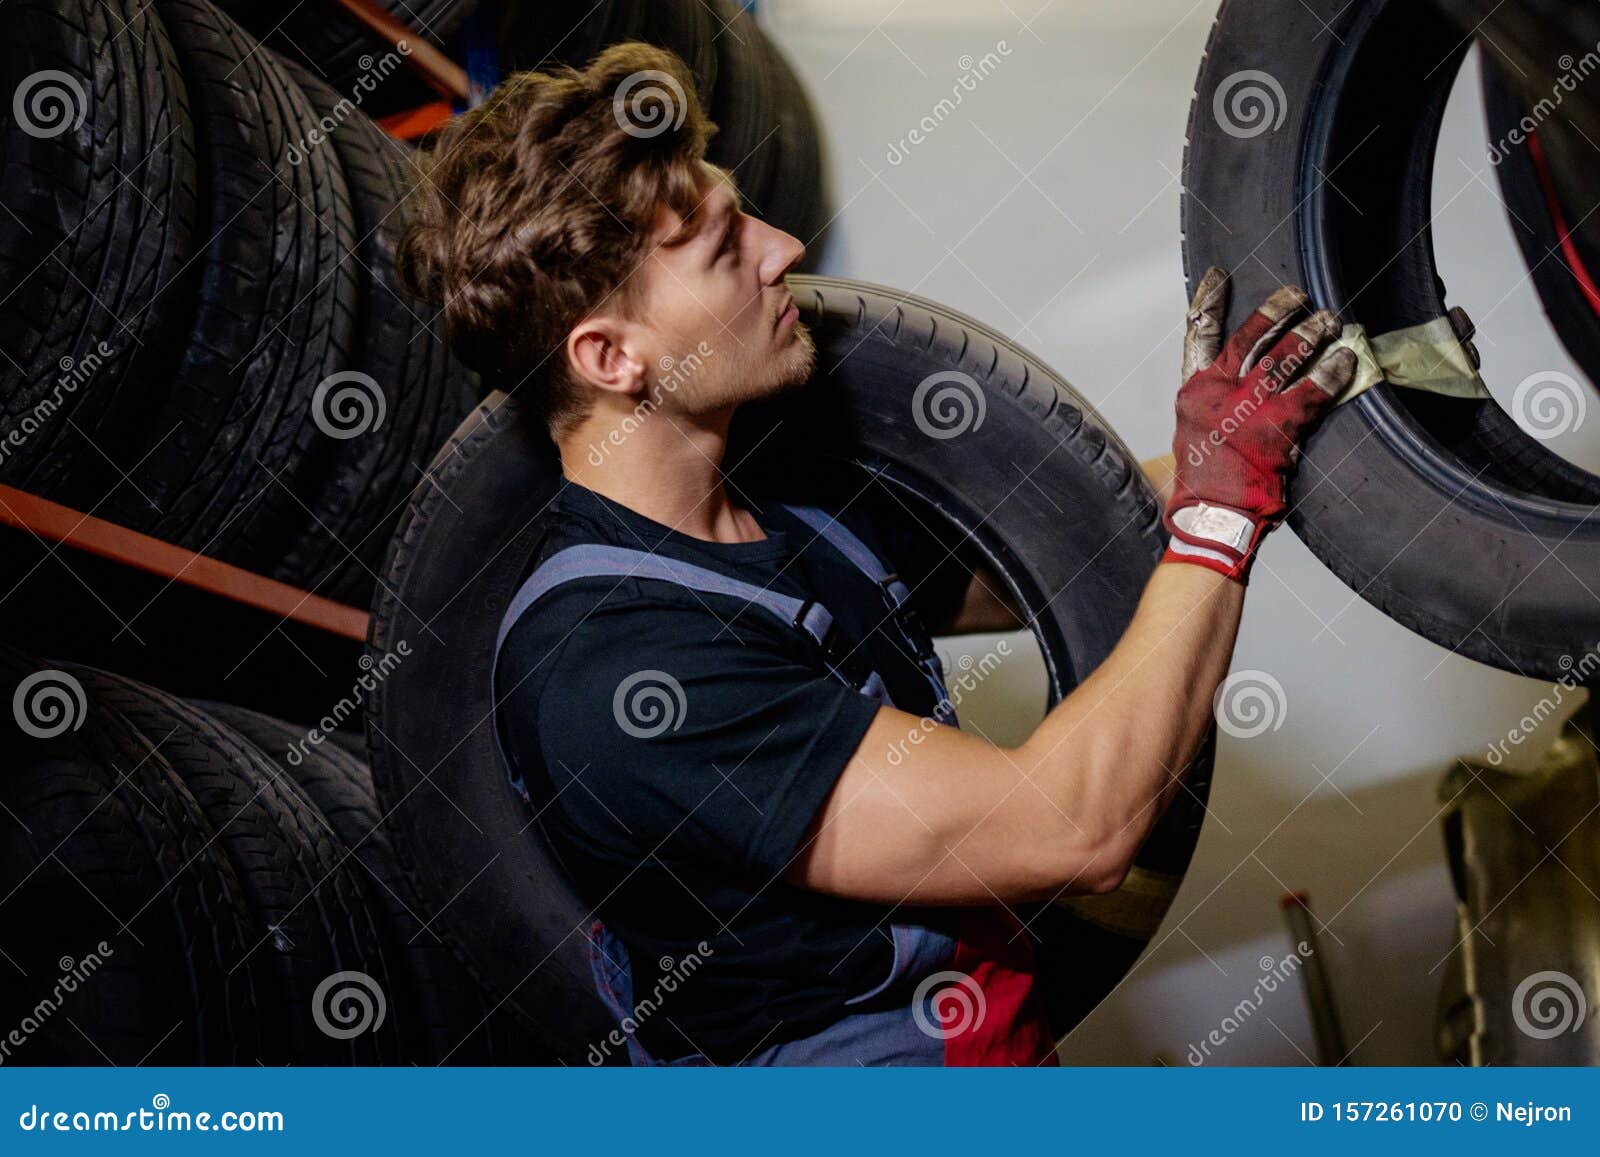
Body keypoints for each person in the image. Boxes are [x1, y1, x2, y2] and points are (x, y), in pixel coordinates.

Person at [396, 42, 1357, 1066]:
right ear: (610, 355)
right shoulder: (618, 674)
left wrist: (1256, 449)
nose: (780, 246)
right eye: (725, 247)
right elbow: (1075, 827)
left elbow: (1056, 558)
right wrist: (1223, 509)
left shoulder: (788, 511)